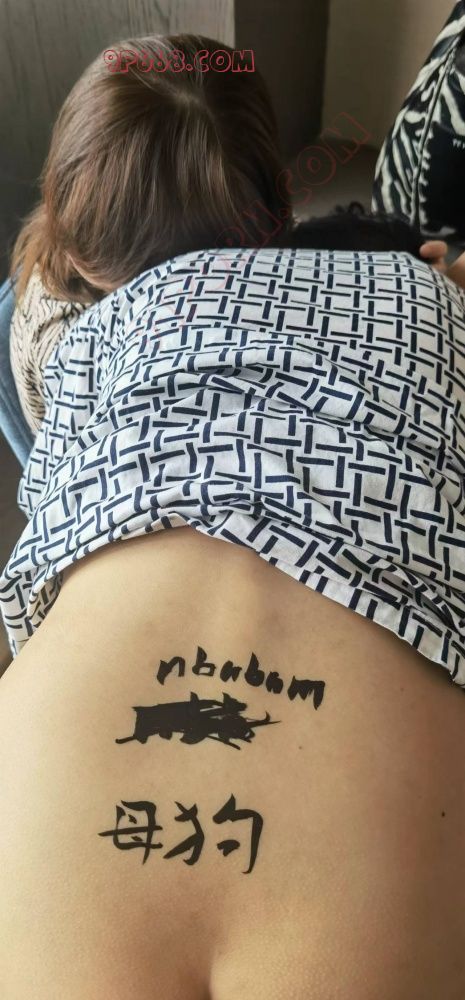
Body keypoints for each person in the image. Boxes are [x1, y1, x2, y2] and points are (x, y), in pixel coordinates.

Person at [0, 33, 464, 1000]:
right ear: (279, 207)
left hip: (50, 799)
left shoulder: (74, 339)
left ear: (78, 246)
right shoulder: (422, 294)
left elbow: (51, 482)